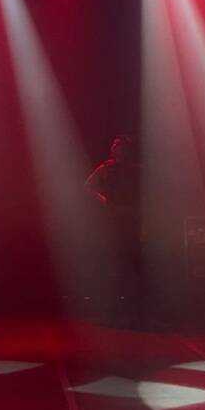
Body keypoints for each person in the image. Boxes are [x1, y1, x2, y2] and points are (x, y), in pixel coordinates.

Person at [84, 134, 143, 326]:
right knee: (113, 263)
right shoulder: (107, 169)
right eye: (117, 147)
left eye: (122, 147)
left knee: (131, 263)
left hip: (131, 222)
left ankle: (132, 308)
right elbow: (88, 187)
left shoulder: (136, 169)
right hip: (113, 222)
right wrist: (102, 199)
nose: (118, 150)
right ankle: (111, 308)